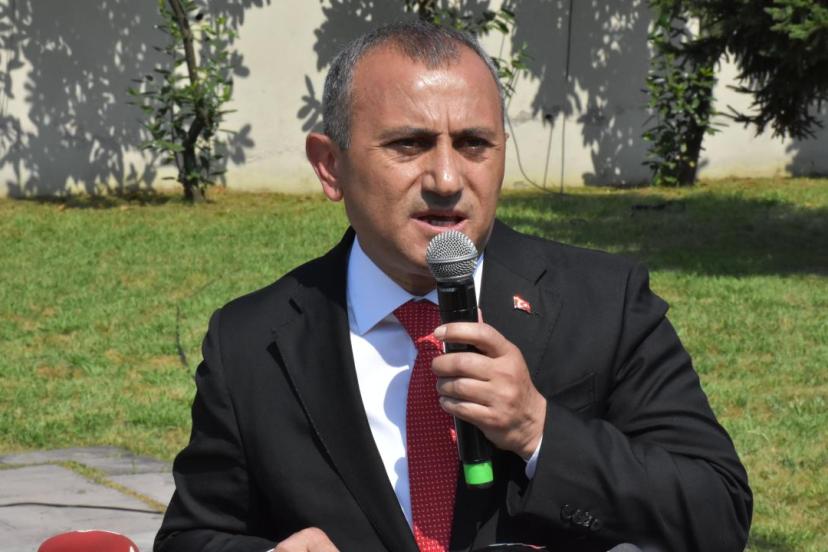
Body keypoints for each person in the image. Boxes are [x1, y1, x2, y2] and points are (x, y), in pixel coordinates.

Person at [154, 20, 751, 552]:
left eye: (473, 144)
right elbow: (191, 536)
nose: (446, 178)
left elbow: (717, 512)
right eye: (408, 144)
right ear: (330, 166)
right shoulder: (251, 341)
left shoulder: (604, 302)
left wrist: (539, 430)